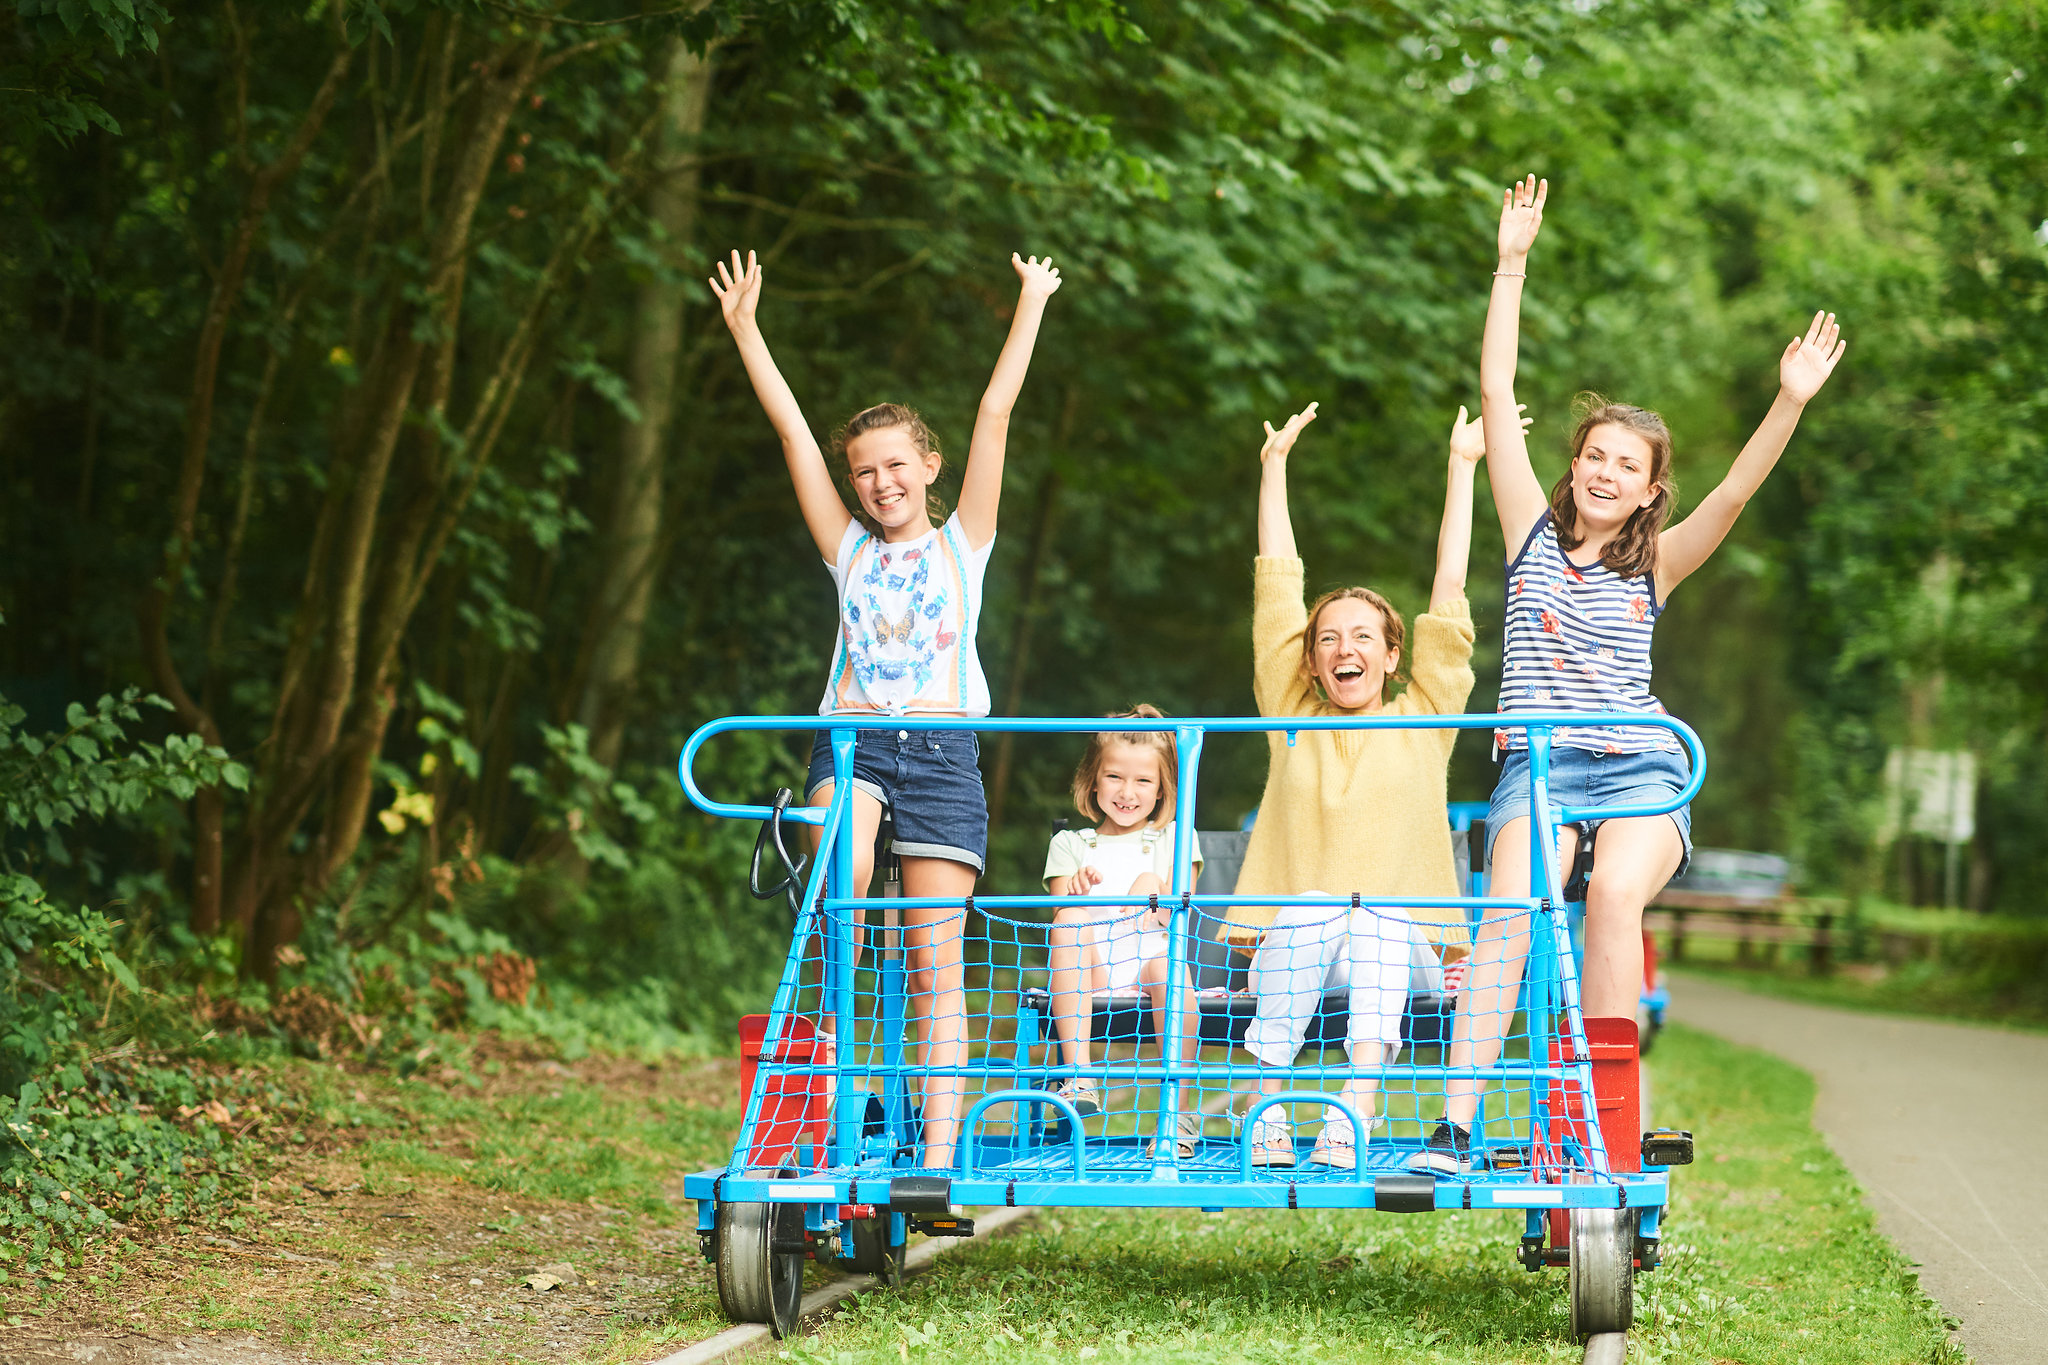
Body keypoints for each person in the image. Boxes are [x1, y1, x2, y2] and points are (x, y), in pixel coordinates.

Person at [1415, 175, 1846, 1174]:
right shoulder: (1528, 535)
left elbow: (1734, 495)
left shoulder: (1654, 562)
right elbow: (1492, 392)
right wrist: (1508, 264)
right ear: (1572, 466)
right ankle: (1452, 1126)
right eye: (1593, 455)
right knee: (1513, 912)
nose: (1605, 471)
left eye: (1627, 464)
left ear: (1649, 489)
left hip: (1640, 772)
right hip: (1537, 767)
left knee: (1610, 897)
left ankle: (1607, 1118)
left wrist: (1786, 401)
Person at [708, 247, 1064, 1171]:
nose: (879, 483)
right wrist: (748, 331)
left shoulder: (964, 544)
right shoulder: (846, 548)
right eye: (863, 471)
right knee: (844, 877)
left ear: (928, 465)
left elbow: (996, 414)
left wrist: (1029, 301)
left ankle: (937, 1158)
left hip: (943, 753)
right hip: (855, 744)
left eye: (895, 465)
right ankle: (829, 1075)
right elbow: (792, 435)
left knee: (936, 965)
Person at [1232, 399, 1504, 1170]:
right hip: (1297, 944)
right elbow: (1277, 595)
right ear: (1310, 662)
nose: (1342, 648)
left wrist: (1462, 468)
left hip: (1401, 951)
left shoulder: (1425, 714)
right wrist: (1275, 467)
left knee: (1377, 913)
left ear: (1392, 656)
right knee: (1323, 904)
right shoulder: (1289, 714)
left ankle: (1355, 1106)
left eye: (1363, 638)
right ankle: (1269, 1103)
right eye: (1327, 639)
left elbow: (1448, 593)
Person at [1042, 707, 1205, 1156]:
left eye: (1143, 781)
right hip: (1092, 965)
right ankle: (1079, 1074)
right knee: (1069, 921)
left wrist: (1153, 886)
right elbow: (1062, 916)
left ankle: (1177, 1114)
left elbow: (1179, 910)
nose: (1127, 792)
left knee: (1173, 975)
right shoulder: (1072, 844)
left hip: (1149, 957)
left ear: (1161, 790)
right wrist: (1075, 893)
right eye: (1114, 777)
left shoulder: (1174, 837)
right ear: (1093, 781)